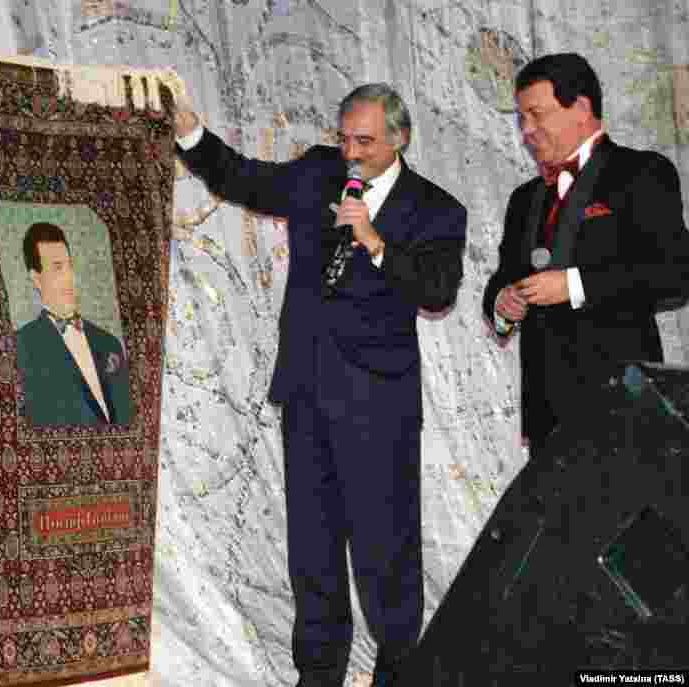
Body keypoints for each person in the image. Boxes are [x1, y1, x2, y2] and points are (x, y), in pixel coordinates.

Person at [174, 84, 467, 686]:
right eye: (344, 138)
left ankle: (398, 665)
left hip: (377, 401)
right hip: (306, 390)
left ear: (399, 138)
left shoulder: (436, 209)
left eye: (365, 142)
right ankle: (319, 670)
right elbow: (242, 179)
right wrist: (189, 131)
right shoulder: (316, 173)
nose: (351, 153)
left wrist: (376, 242)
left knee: (386, 544)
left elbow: (437, 291)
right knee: (313, 548)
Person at [483, 52, 689, 457]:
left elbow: (675, 273)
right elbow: (501, 279)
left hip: (624, 406)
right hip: (546, 416)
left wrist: (575, 284)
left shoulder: (643, 172)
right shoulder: (523, 199)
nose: (527, 130)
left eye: (536, 115)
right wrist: (502, 306)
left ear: (581, 108)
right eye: (521, 119)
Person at [15, 222, 133, 427]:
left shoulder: (110, 344)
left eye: (69, 266)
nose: (69, 277)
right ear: (36, 279)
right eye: (57, 268)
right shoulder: (22, 347)